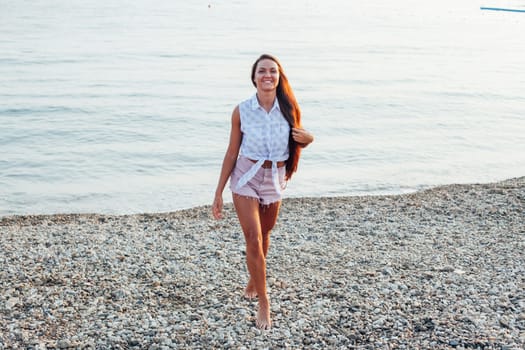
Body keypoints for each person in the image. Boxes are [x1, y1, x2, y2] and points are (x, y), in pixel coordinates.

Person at [212, 54, 314, 330]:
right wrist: (219, 191)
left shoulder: (289, 108)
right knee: (254, 238)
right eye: (262, 71)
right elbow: (232, 151)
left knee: (266, 234)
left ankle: (253, 279)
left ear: (279, 77)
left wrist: (310, 139)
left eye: (273, 71)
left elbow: (300, 138)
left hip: (275, 178)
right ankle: (264, 302)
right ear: (254, 77)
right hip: (245, 177)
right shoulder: (241, 110)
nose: (267, 75)